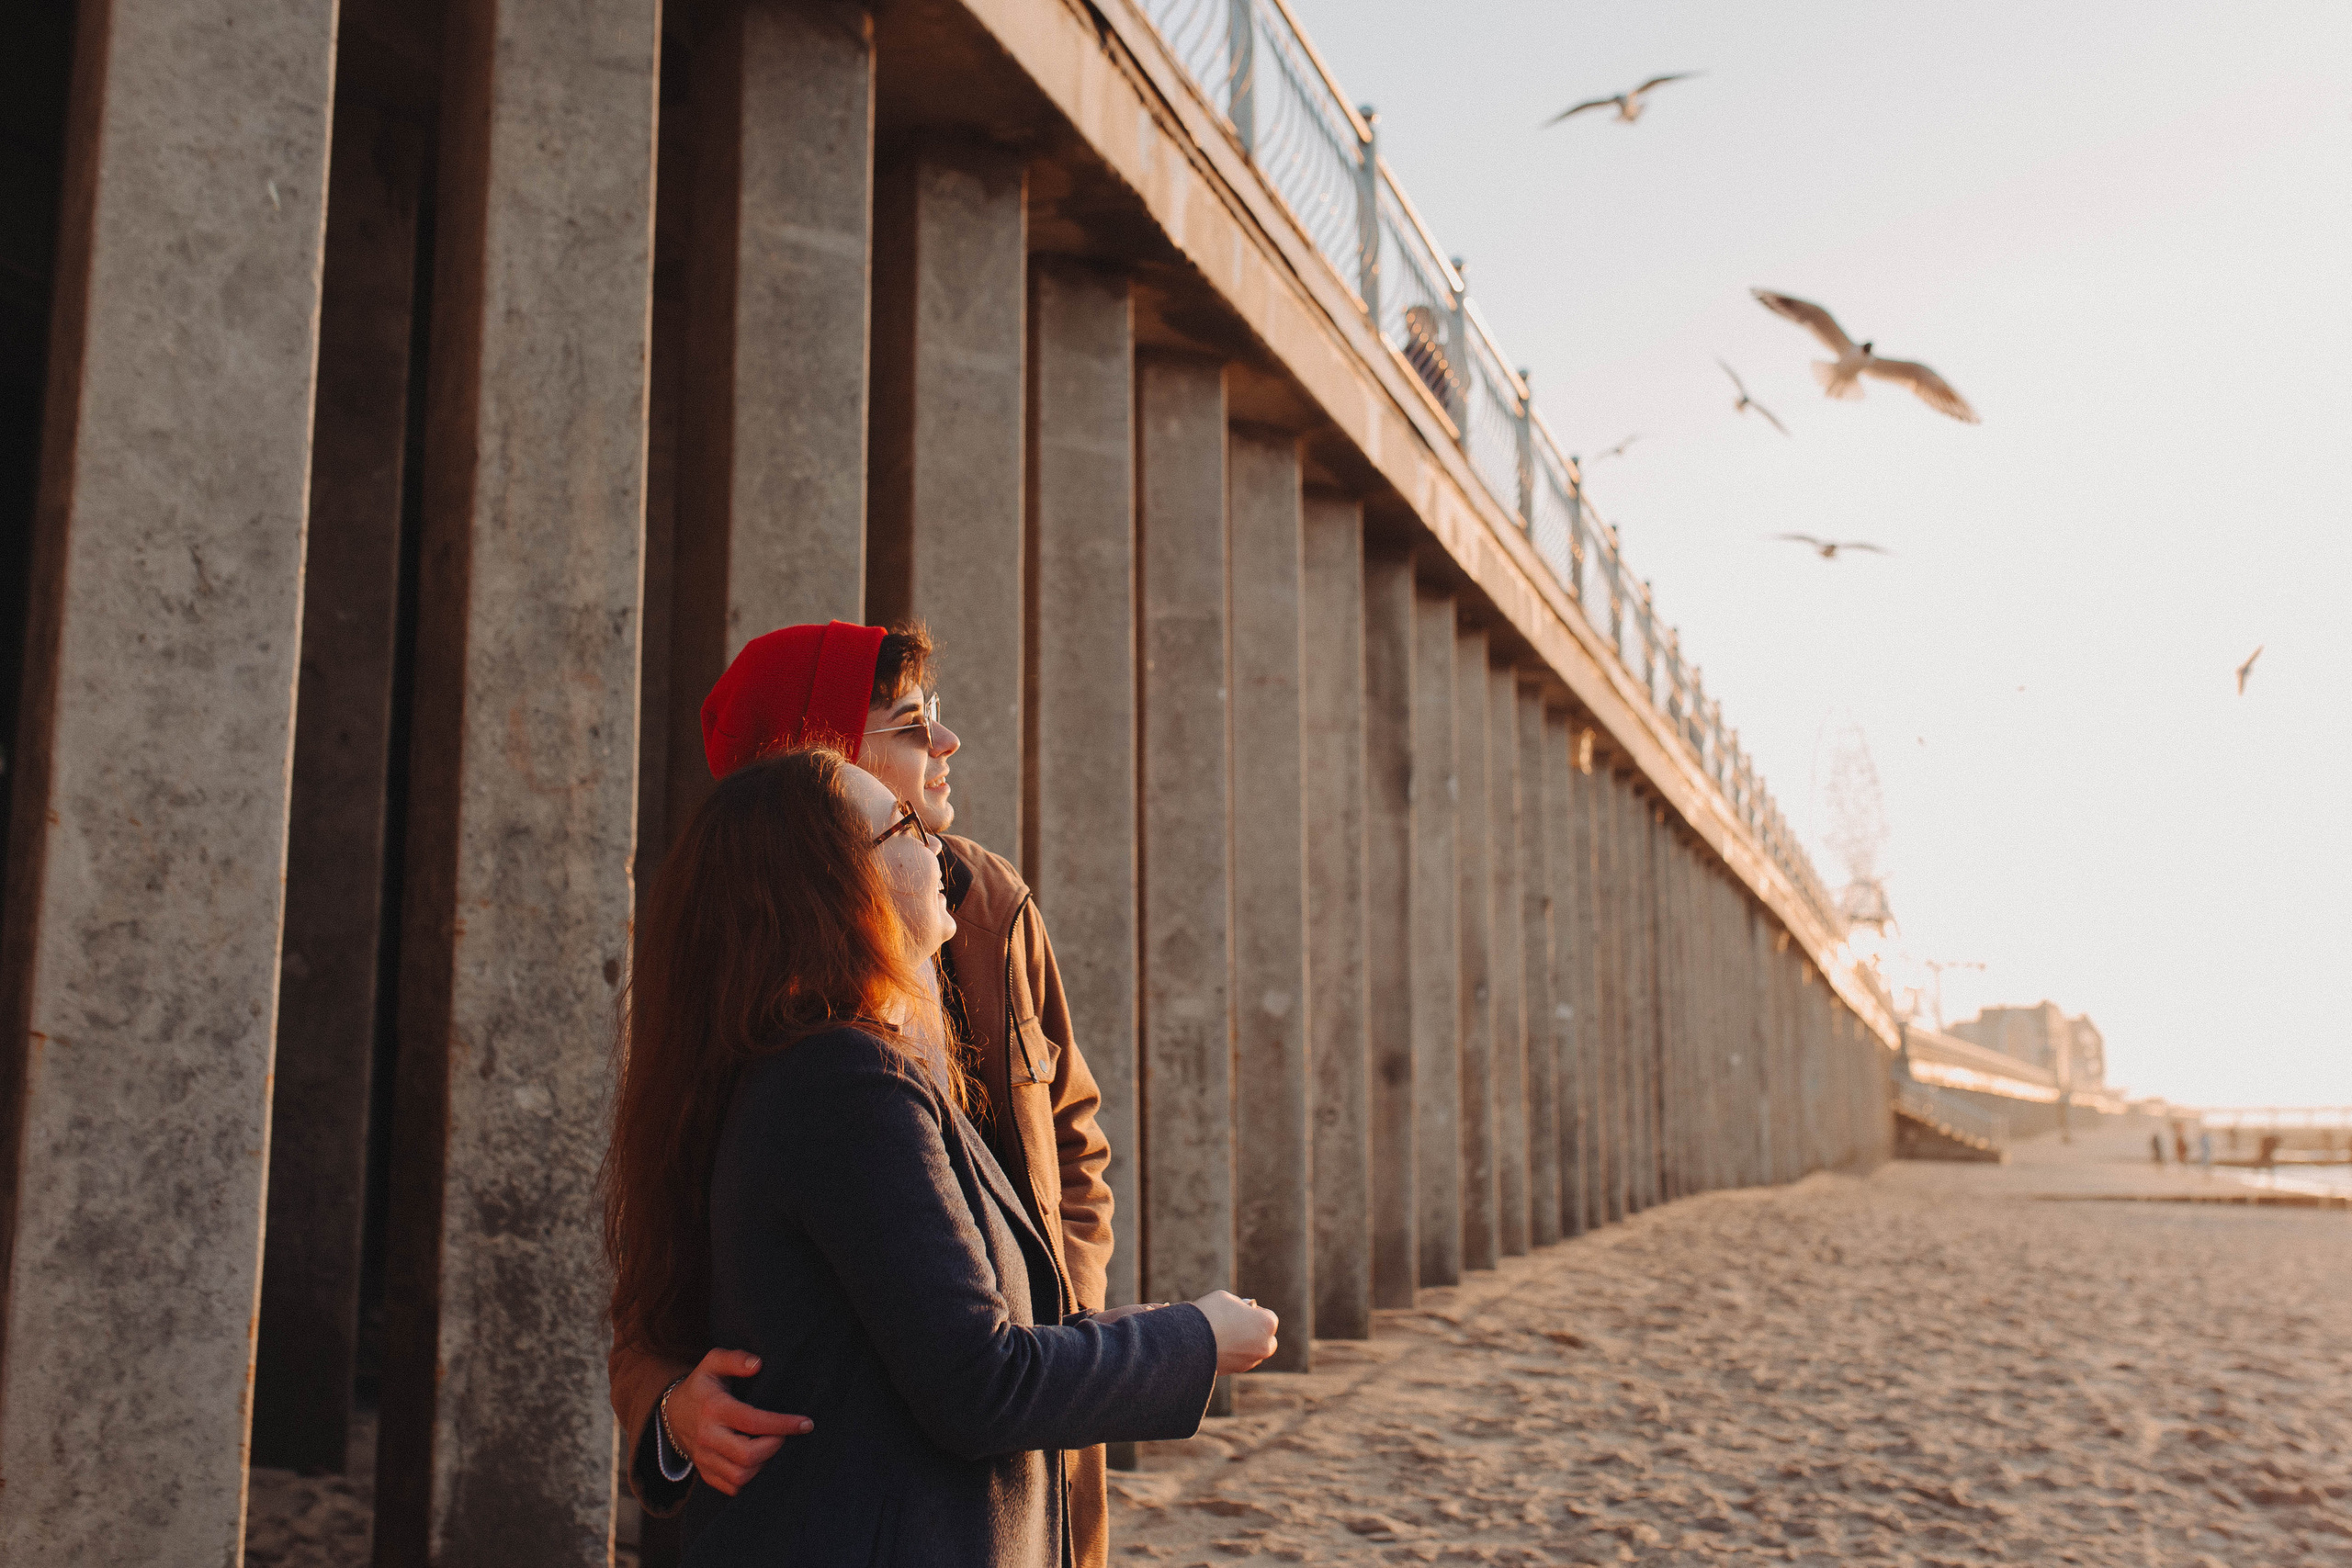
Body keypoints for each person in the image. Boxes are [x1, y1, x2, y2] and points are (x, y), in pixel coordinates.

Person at [603, 746, 1279, 1563]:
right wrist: (1196, 1340)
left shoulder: (826, 1063)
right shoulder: (842, 1077)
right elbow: (980, 1385)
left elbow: (921, 1331)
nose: (934, 847)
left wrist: (1108, 1329)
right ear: (837, 887)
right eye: (903, 827)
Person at [609, 621, 1136, 1565]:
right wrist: (666, 1407)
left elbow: (1074, 1143)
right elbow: (661, 1237)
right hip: (840, 1477)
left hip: (1022, 1424)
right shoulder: (741, 954)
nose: (945, 744)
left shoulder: (987, 904)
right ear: (814, 763)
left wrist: (1057, 1338)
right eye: (906, 725)